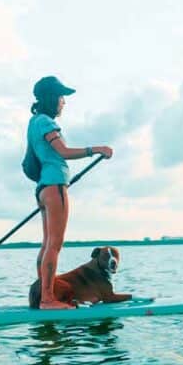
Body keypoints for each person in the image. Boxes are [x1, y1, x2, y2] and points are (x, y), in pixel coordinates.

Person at [27, 76, 113, 309]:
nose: (64, 102)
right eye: (61, 97)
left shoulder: (34, 122)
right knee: (55, 245)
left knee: (47, 244)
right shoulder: (46, 122)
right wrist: (96, 150)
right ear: (52, 98)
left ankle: (42, 295)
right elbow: (63, 152)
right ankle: (47, 299)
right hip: (55, 186)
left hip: (43, 188)